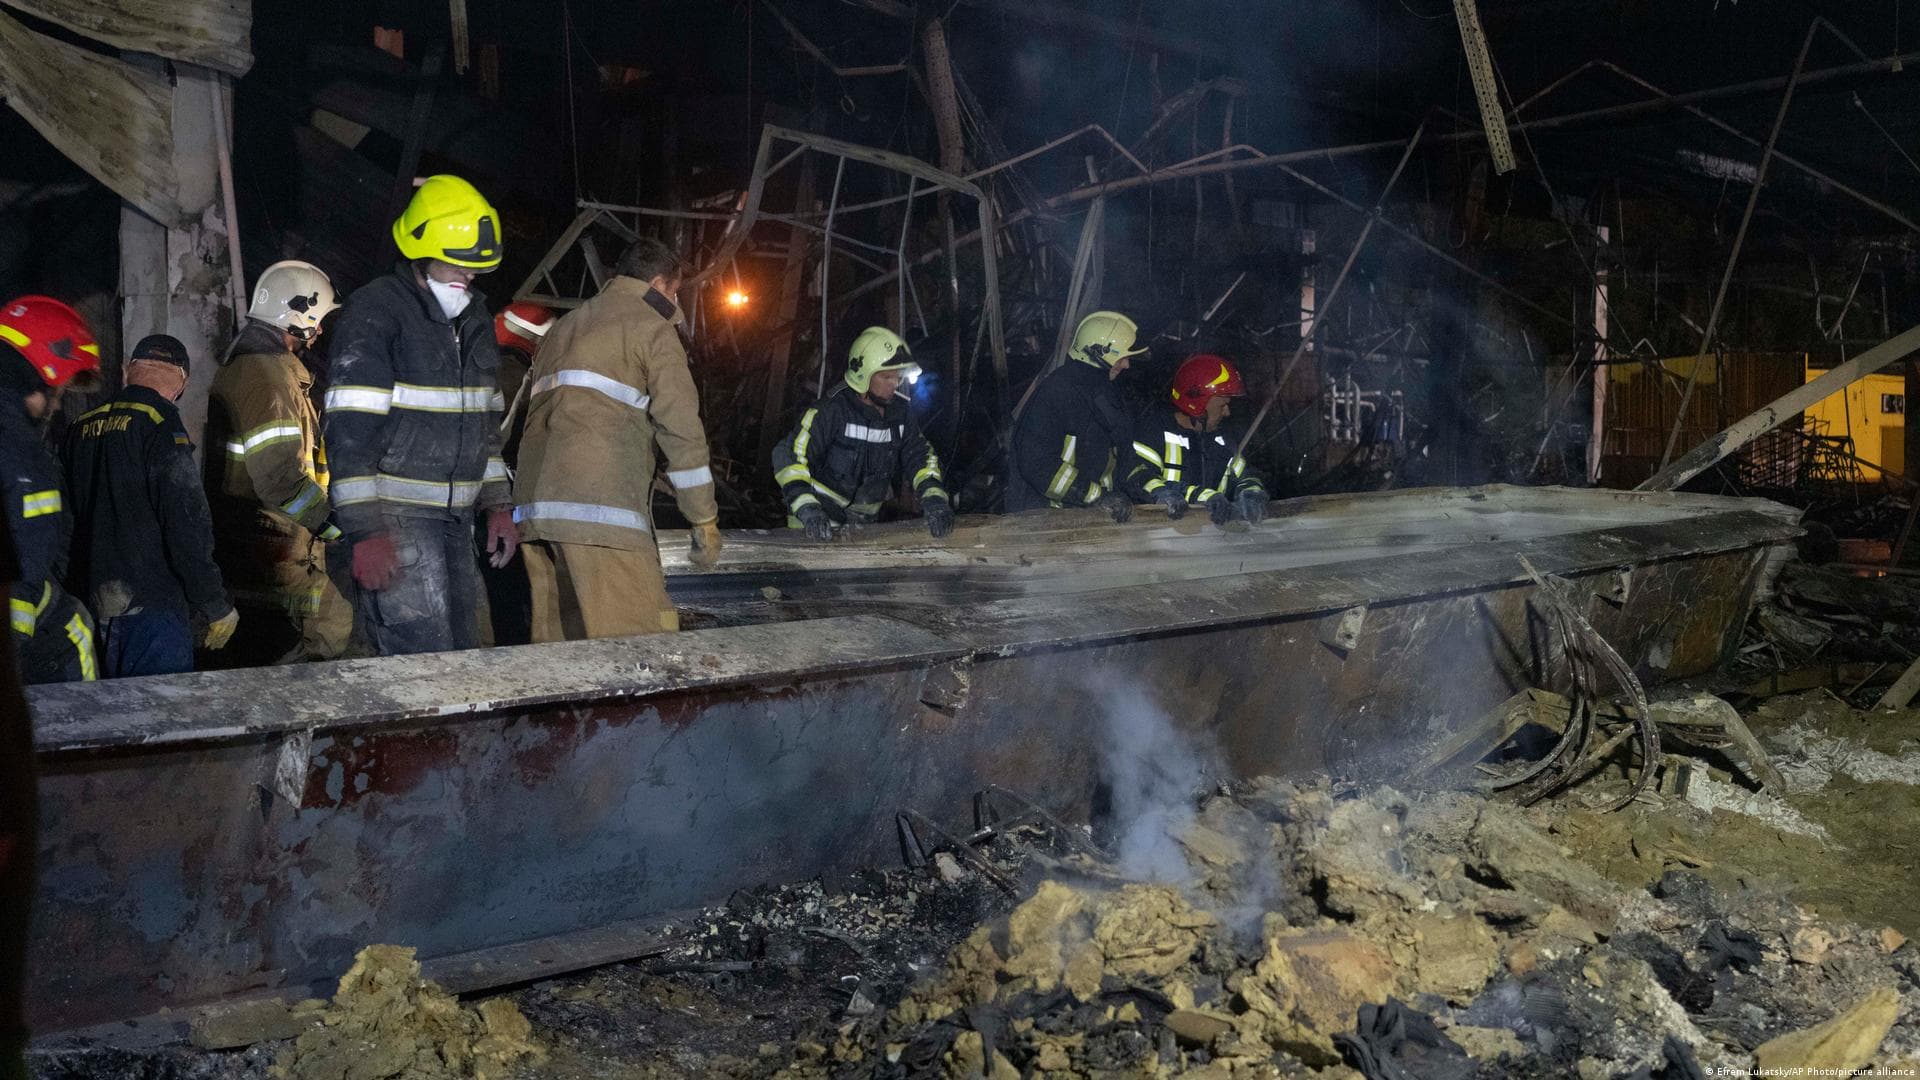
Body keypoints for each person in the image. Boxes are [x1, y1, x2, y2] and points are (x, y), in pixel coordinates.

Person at [323, 175, 519, 656]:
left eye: (475, 271)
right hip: (396, 520)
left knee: (463, 658)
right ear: (422, 251)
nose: (469, 279)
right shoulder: (376, 312)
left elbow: (484, 427)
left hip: (456, 522)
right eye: (459, 266)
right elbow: (348, 434)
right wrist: (366, 533)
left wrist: (497, 505)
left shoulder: (473, 318)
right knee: (422, 668)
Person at [512, 238, 722, 641]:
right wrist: (703, 517)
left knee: (562, 657)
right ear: (659, 283)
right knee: (644, 645)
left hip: (537, 514)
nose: (674, 300)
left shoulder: (565, 327)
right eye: (674, 291)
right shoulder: (651, 328)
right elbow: (681, 431)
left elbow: (523, 418)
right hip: (601, 517)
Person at [63, 335, 236, 677]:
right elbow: (186, 522)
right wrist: (215, 603)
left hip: (92, 605)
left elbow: (63, 524)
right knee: (162, 717)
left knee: (112, 718)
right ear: (182, 382)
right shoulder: (161, 424)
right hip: (152, 606)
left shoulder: (79, 427)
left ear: (127, 371)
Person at [206, 260, 352, 665]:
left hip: (268, 538)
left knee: (283, 642)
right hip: (274, 542)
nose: (320, 331)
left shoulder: (259, 369)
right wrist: (333, 522)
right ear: (298, 316)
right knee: (330, 626)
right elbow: (278, 477)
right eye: (318, 319)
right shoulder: (267, 377)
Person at [773, 326, 953, 541]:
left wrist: (934, 498)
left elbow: (921, 456)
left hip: (863, 526)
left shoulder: (900, 414)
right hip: (815, 522)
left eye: (897, 377)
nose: (894, 384)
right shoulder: (831, 410)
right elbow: (789, 455)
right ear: (863, 375)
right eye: (886, 377)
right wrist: (806, 508)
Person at [0, 295, 100, 684]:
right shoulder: (23, 454)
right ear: (39, 375)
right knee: (72, 627)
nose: (56, 407)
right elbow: (25, 568)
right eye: (58, 393)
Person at [1007, 310, 1146, 520]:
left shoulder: (1108, 395)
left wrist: (1156, 491)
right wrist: (1096, 496)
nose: (1127, 365)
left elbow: (1125, 459)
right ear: (1100, 351)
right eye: (1122, 357)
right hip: (1045, 526)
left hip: (1094, 522)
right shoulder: (1058, 392)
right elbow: (1038, 465)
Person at [1127, 353, 1271, 525]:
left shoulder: (1221, 439)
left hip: (1209, 542)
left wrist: (1252, 493)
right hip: (1160, 537)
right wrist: (1198, 496)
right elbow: (1139, 479)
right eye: (1222, 405)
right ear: (1196, 403)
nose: (1227, 413)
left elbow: (1245, 475)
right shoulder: (1153, 433)